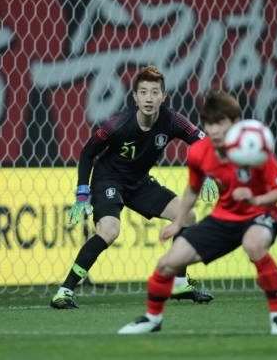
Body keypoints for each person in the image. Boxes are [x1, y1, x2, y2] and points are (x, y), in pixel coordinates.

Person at [118, 89, 277, 335]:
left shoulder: (254, 146)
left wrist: (256, 199)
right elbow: (192, 189)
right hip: (224, 218)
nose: (213, 130)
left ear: (236, 123)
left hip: (260, 214)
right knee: (168, 263)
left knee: (254, 245)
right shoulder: (200, 152)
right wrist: (178, 222)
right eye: (209, 124)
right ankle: (152, 319)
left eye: (220, 123)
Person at [50, 65, 218, 309]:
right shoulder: (117, 125)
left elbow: (203, 142)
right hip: (108, 180)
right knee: (109, 231)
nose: (149, 98)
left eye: (154, 93)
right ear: (135, 97)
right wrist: (82, 194)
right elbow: (88, 153)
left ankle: (180, 284)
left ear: (164, 96)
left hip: (139, 182)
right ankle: (64, 292)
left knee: (188, 216)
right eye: (143, 92)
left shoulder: (173, 120)